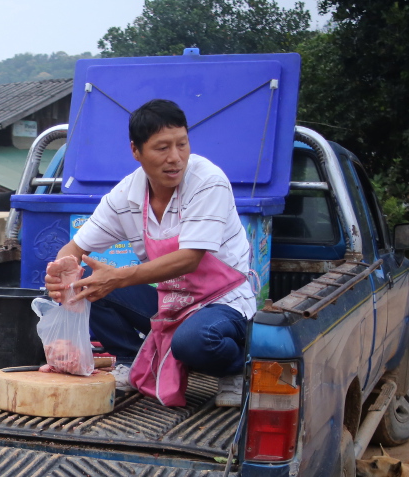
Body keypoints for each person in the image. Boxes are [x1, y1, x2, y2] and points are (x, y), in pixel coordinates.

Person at [45, 99, 256, 408]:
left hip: (223, 304)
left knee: (194, 341)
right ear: (136, 150)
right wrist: (63, 273)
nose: (176, 158)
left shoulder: (207, 182)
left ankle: (235, 369)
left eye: (182, 144)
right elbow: (76, 248)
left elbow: (190, 258)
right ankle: (131, 360)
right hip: (171, 303)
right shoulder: (126, 195)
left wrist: (118, 278)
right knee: (86, 285)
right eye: (162, 148)